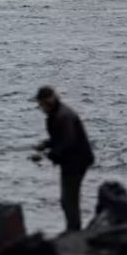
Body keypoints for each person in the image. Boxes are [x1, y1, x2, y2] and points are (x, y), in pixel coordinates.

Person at [32, 85, 94, 233]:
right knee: (67, 199)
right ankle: (73, 229)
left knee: (69, 200)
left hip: (76, 162)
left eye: (41, 104)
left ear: (48, 101)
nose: (40, 107)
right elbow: (58, 138)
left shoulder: (64, 116)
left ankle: (74, 231)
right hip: (71, 161)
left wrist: (49, 154)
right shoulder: (57, 114)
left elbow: (67, 142)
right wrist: (45, 144)